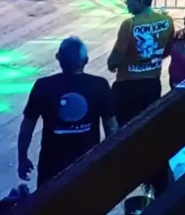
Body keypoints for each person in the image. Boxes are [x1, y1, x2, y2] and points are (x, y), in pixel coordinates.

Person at [18, 37, 116, 188]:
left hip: (51, 166)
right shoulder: (99, 85)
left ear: (58, 58)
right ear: (86, 60)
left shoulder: (43, 86)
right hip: (88, 165)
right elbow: (111, 126)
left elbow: (27, 125)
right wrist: (112, 159)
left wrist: (22, 157)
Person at [107, 0, 174, 195]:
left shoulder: (129, 25)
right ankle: (154, 176)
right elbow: (167, 50)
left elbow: (114, 61)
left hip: (127, 87)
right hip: (152, 83)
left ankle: (127, 169)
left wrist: (116, 63)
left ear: (141, 1)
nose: (126, 2)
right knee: (148, 128)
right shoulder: (167, 21)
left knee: (124, 131)